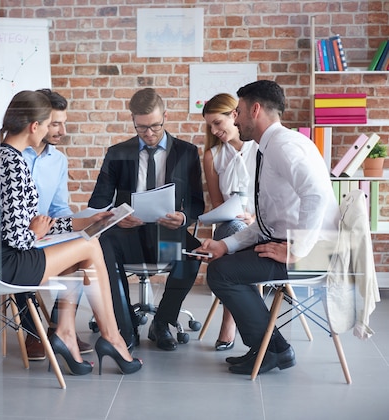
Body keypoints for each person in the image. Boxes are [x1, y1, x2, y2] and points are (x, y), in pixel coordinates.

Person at [0, 90, 142, 375]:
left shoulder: (3, 156)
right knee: (90, 247)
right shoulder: (13, 164)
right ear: (34, 126)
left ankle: (66, 334)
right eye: (50, 123)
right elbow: (20, 239)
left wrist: (83, 223)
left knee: (84, 244)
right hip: (8, 263)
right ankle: (111, 337)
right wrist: (36, 232)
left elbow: (32, 224)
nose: (54, 130)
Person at [194, 80, 340, 375]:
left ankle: (273, 350)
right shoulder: (270, 146)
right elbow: (266, 223)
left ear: (255, 110)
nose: (235, 119)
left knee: (223, 274)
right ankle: (270, 350)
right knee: (225, 263)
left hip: (315, 253)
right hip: (295, 244)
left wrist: (299, 250)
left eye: (238, 112)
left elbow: (317, 194)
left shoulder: (283, 146)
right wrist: (225, 245)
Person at [88, 88, 205, 351]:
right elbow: (98, 202)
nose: (149, 134)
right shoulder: (117, 153)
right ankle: (125, 326)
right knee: (104, 248)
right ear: (133, 120)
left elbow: (197, 202)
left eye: (155, 126)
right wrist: (118, 217)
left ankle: (162, 323)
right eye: (141, 128)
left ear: (165, 116)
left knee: (192, 253)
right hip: (127, 234)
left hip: (165, 236)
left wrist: (184, 217)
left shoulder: (186, 152)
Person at [201, 93, 258, 351]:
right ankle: (254, 329)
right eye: (210, 126)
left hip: (263, 225)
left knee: (244, 232)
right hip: (229, 227)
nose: (214, 130)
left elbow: (278, 199)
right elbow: (217, 205)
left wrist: (255, 219)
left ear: (234, 115)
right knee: (236, 229)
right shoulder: (213, 156)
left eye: (217, 123)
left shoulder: (262, 148)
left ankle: (231, 319)